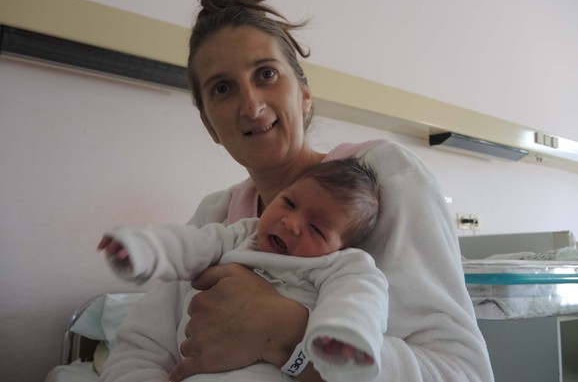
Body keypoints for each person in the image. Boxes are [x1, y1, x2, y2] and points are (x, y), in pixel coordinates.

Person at [100, 0, 494, 382]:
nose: (251, 106)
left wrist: (285, 337)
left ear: (304, 95)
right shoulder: (213, 217)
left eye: (266, 74)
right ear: (209, 125)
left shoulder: (383, 180)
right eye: (222, 88)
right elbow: (138, 350)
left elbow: (463, 373)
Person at [98, 158, 387, 382]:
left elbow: (359, 299)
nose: (290, 223)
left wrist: (344, 338)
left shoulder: (340, 265)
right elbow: (191, 244)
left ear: (341, 247)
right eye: (289, 203)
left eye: (316, 228)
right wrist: (144, 249)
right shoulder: (242, 234)